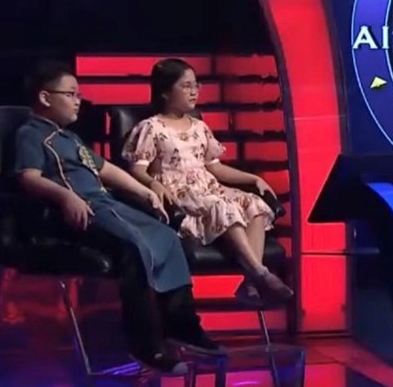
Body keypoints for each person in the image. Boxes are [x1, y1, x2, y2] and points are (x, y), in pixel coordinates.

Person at [12, 61, 224, 373]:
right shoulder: (31, 134)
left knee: (168, 237)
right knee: (134, 248)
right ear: (45, 97)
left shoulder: (69, 138)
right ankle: (146, 344)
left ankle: (183, 325)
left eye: (78, 94)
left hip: (107, 203)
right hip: (79, 210)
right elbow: (28, 177)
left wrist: (145, 191)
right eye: (70, 94)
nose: (78, 101)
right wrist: (66, 196)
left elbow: (106, 170)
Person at [122, 58, 292, 307]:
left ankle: (251, 281)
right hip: (179, 193)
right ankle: (261, 274)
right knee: (222, 206)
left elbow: (215, 167)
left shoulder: (200, 126)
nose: (194, 91)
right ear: (165, 91)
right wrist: (153, 184)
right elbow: (136, 169)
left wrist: (254, 178)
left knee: (254, 204)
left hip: (208, 186)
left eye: (196, 85)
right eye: (186, 86)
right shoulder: (151, 127)